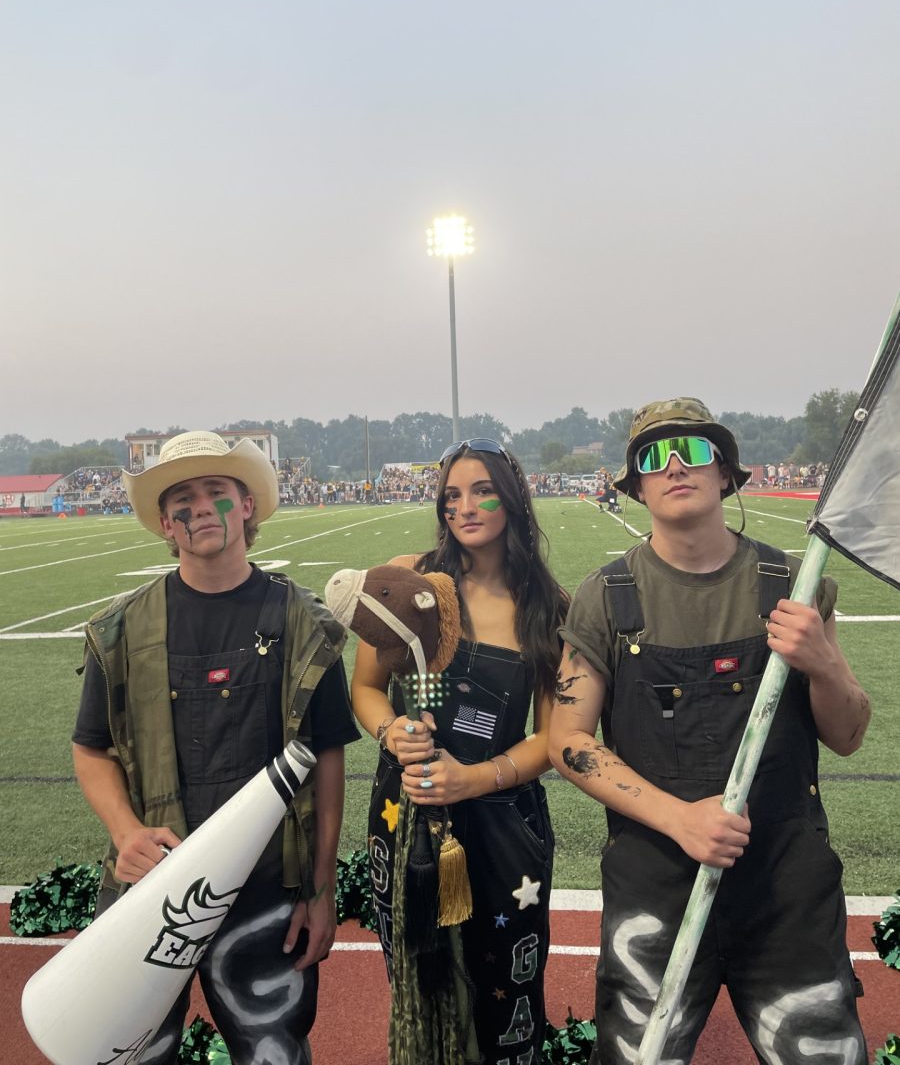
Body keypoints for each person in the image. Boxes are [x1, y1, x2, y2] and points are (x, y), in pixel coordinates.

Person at [548, 398, 870, 1064]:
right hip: (655, 889)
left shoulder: (794, 584)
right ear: (634, 486)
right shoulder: (605, 597)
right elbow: (568, 740)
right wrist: (679, 819)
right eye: (653, 457)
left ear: (726, 473)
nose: (674, 467)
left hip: (787, 888)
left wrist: (823, 662)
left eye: (692, 451)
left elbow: (847, 734)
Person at [72, 431, 359, 1065]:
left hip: (267, 889)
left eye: (216, 492)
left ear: (248, 506)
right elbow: (90, 749)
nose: (200, 507)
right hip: (151, 894)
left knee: (272, 1051)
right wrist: (124, 833)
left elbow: (329, 758)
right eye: (182, 498)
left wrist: (319, 889)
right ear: (166, 524)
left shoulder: (303, 622)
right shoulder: (122, 629)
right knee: (137, 1053)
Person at [352, 438, 569, 1065]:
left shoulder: (548, 608)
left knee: (505, 986)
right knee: (420, 981)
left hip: (502, 823)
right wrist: (390, 730)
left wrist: (471, 780)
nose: (464, 506)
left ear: (514, 498)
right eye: (451, 495)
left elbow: (553, 741)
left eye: (481, 491)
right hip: (408, 813)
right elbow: (365, 688)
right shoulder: (409, 578)